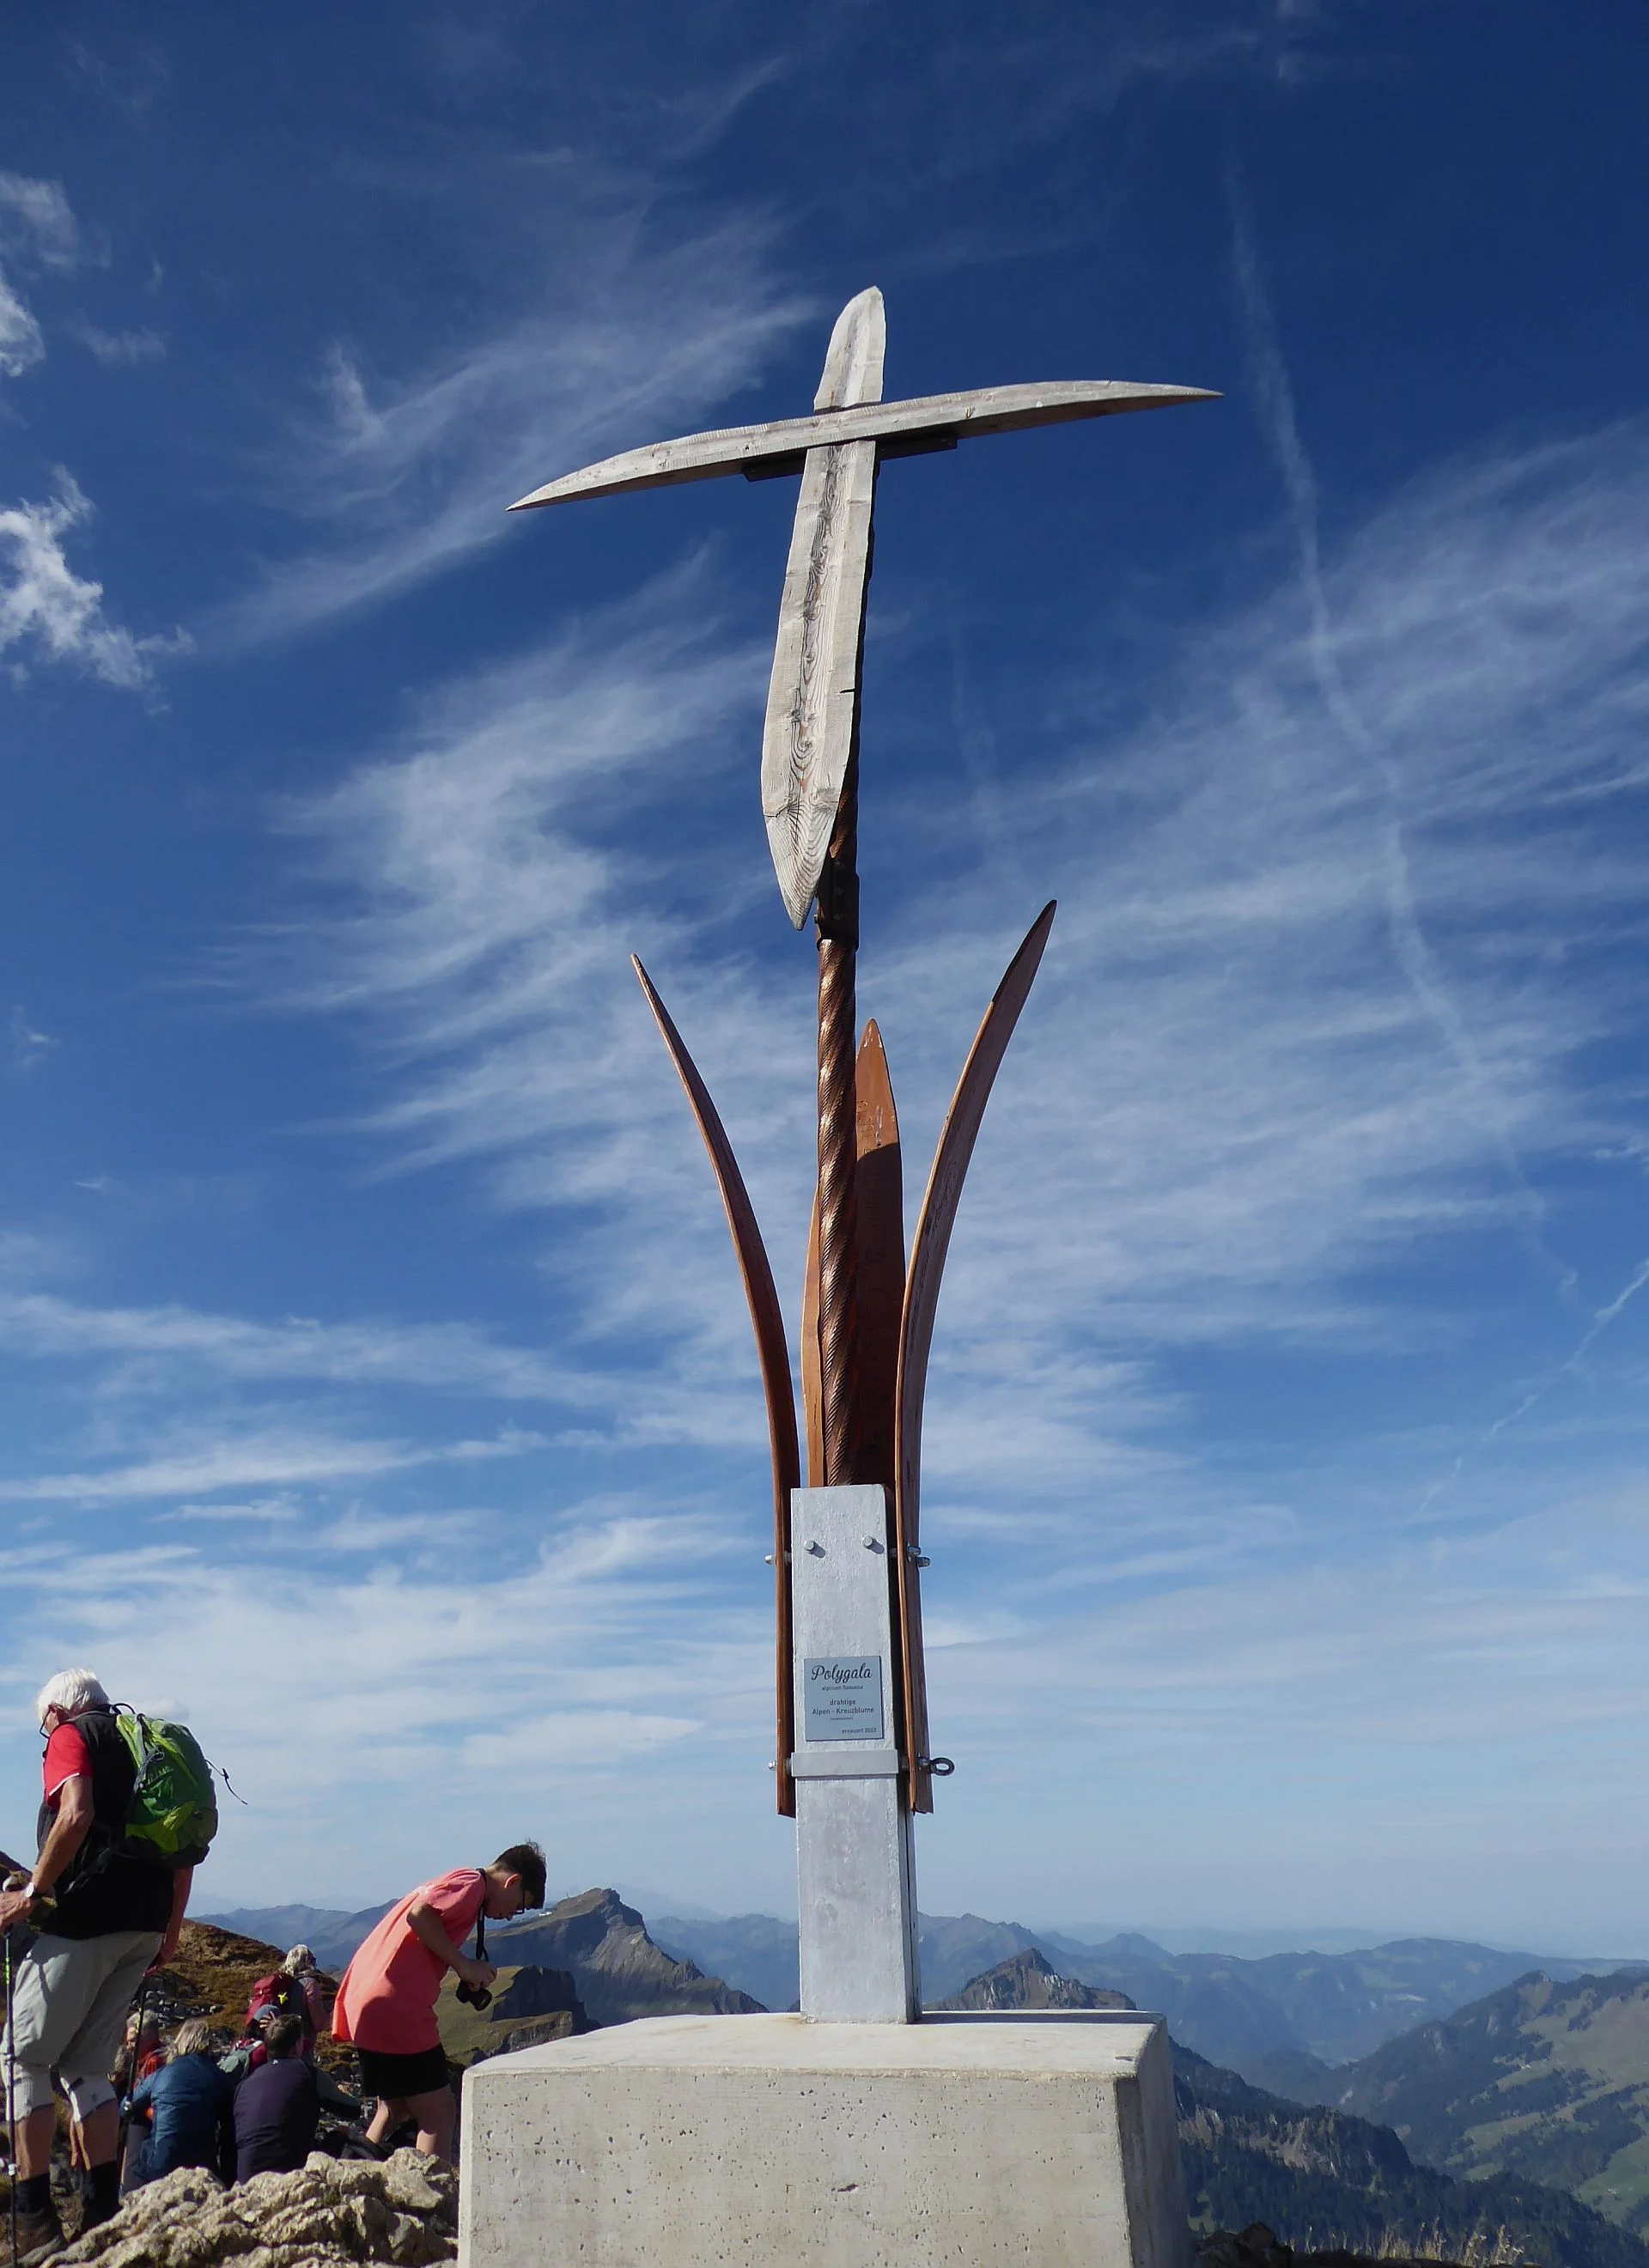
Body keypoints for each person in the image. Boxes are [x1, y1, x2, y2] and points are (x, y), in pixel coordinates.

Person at [0, 1671, 192, 2262]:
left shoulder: (72, 1734)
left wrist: (33, 1888)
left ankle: (33, 2218)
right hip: (143, 1924)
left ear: (57, 1708)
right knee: (85, 2069)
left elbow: (75, 1813)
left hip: (87, 1917)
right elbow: (185, 1848)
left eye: (42, 1725)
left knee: (21, 2057)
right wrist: (171, 1929)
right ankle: (100, 2208)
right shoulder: (151, 1748)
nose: (45, 1736)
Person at [331, 1842, 545, 2164]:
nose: (512, 1915)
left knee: (394, 2107)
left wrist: (463, 1967)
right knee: (439, 2114)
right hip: (397, 2004)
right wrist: (463, 1965)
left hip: (366, 1999)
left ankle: (356, 2173)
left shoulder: (452, 1881)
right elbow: (420, 1916)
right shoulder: (472, 1884)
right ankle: (430, 2202)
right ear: (512, 1882)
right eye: (519, 1906)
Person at [123, 2019, 234, 2185]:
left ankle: (127, 2192)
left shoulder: (161, 2074)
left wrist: (150, 2112)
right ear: (207, 2045)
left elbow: (126, 2106)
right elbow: (229, 2132)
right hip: (202, 2166)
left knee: (136, 2120)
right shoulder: (220, 2078)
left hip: (158, 2167)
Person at [231, 2015, 318, 2182]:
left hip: (245, 2179)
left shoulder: (244, 2085)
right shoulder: (305, 2072)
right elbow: (351, 2108)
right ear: (296, 2048)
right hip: (287, 2176)